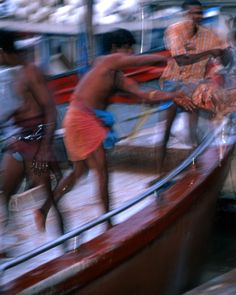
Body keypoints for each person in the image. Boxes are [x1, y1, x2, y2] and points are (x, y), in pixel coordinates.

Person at [34, 28, 193, 232]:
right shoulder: (105, 61)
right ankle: (107, 222)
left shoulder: (117, 76)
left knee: (80, 172)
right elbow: (136, 62)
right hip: (82, 119)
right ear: (116, 49)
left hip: (79, 118)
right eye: (128, 50)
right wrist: (172, 55)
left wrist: (173, 95)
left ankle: (44, 209)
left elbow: (145, 95)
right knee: (102, 171)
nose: (131, 54)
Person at [0, 30, 62, 254]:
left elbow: (51, 111)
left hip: (36, 144)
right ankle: (6, 239)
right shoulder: (10, 75)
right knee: (4, 193)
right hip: (19, 141)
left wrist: (45, 148)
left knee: (51, 200)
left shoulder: (31, 72)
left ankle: (65, 245)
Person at [156, 0, 229, 175]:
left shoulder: (210, 34)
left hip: (196, 83)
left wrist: (224, 52)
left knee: (193, 129)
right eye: (193, 13)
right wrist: (210, 52)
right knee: (166, 129)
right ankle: (160, 172)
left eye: (199, 12)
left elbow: (224, 58)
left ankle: (194, 167)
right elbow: (181, 60)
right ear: (185, 14)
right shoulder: (175, 30)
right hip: (174, 83)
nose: (197, 16)